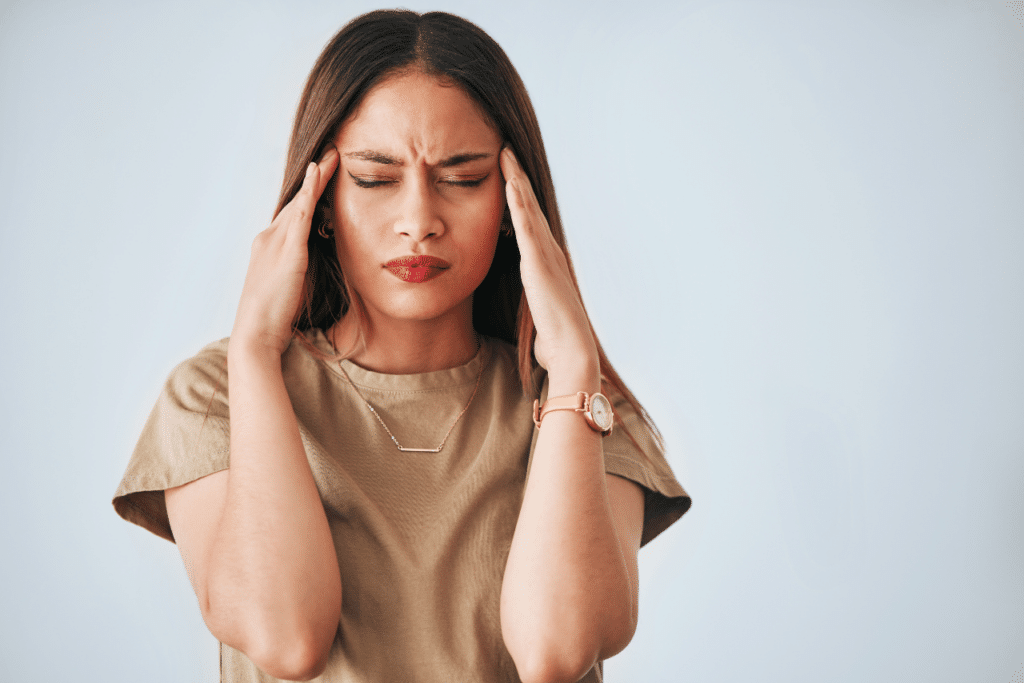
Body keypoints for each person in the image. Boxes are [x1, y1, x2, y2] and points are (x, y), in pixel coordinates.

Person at [113, 9, 690, 683]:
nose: (419, 220)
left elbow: (555, 652)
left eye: (463, 177)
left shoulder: (584, 403)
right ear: (320, 200)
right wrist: (253, 353)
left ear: (512, 202)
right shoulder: (213, 394)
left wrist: (571, 365)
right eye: (374, 178)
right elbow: (287, 638)